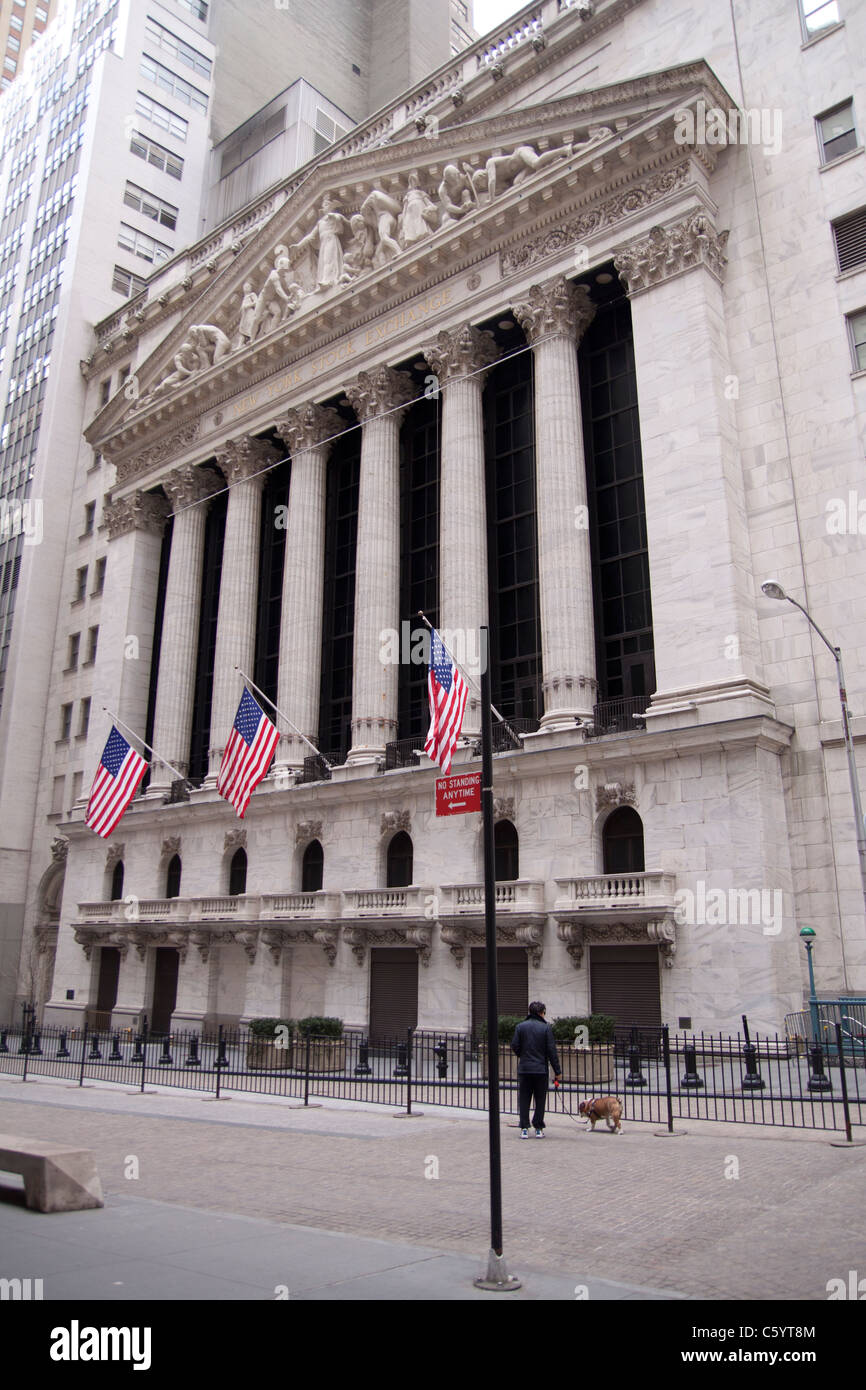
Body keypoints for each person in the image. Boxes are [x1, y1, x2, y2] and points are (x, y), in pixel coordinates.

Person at [511, 1002, 561, 1138]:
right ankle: (538, 1127)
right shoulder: (546, 1028)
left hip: (525, 1068)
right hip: (540, 1070)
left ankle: (524, 1127)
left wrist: (523, 1055)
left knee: (524, 1098)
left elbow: (514, 1045)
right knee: (540, 1099)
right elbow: (551, 1051)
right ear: (541, 1012)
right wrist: (557, 1071)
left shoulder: (520, 1027)